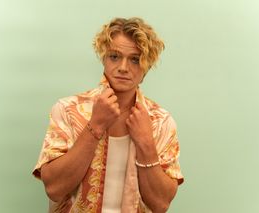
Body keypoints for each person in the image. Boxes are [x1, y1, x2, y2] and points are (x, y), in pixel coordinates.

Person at [32, 17, 184, 213]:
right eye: (114, 56)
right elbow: (54, 189)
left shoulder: (161, 122)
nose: (123, 67)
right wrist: (95, 126)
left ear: (146, 66)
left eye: (135, 59)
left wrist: (146, 143)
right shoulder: (68, 110)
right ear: (103, 58)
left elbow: (161, 204)